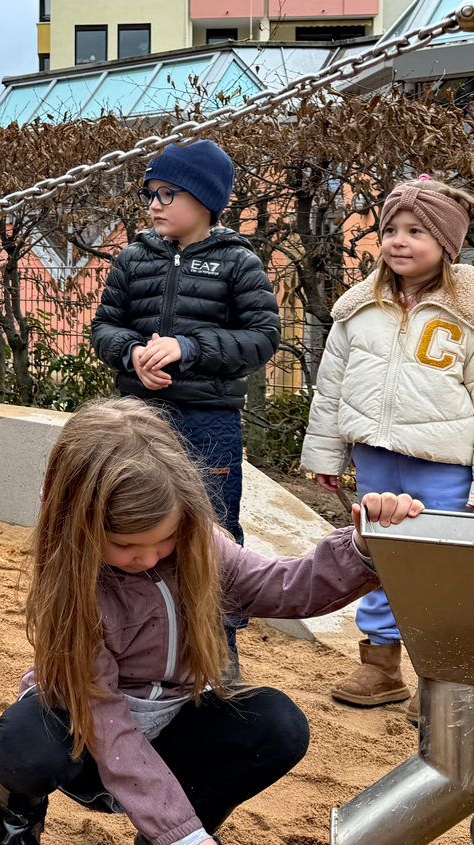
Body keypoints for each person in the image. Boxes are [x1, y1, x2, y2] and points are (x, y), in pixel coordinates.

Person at [0, 399, 424, 845]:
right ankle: (17, 822)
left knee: (277, 724)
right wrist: (182, 836)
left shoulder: (202, 547)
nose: (149, 557)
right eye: (126, 545)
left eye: (166, 539)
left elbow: (284, 587)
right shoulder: (72, 587)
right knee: (25, 742)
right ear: (79, 524)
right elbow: (104, 720)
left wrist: (363, 548)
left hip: (172, 722)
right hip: (86, 738)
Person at [89, 141, 280, 685]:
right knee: (127, 523)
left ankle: (219, 648)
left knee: (214, 530)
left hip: (207, 422)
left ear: (205, 199)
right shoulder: (133, 259)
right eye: (150, 193)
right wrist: (132, 354)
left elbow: (263, 337)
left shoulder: (238, 262)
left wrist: (188, 349)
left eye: (168, 193)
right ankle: (131, 639)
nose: (154, 204)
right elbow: (104, 326)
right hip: (137, 418)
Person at [301, 177, 474, 716]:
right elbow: (331, 385)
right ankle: (380, 663)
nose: (398, 241)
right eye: (390, 230)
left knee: (442, 569)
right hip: (375, 458)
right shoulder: (358, 307)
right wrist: (326, 454)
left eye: (416, 231)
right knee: (380, 556)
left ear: (447, 242)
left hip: (444, 467)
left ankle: (445, 676)